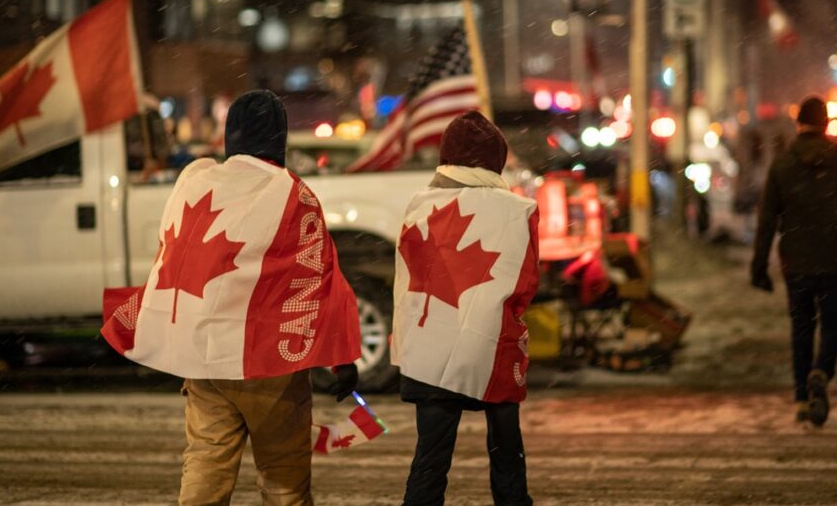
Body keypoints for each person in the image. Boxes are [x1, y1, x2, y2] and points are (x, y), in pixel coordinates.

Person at [101, 90, 361, 506]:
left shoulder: (194, 182)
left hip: (201, 355)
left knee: (206, 465)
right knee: (283, 481)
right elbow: (318, 280)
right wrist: (342, 356)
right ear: (280, 137)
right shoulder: (293, 195)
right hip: (268, 362)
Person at [393, 111, 539, 506]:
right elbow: (525, 284)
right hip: (491, 347)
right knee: (507, 453)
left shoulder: (417, 206)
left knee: (430, 460)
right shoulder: (519, 211)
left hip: (428, 351)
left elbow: (405, 281)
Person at [750, 96, 837, 426]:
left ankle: (802, 401)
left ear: (798, 125)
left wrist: (759, 265)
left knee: (801, 328)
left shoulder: (782, 165)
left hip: (798, 263)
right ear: (826, 124)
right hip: (835, 260)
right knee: (834, 325)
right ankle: (821, 370)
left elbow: (767, 220)